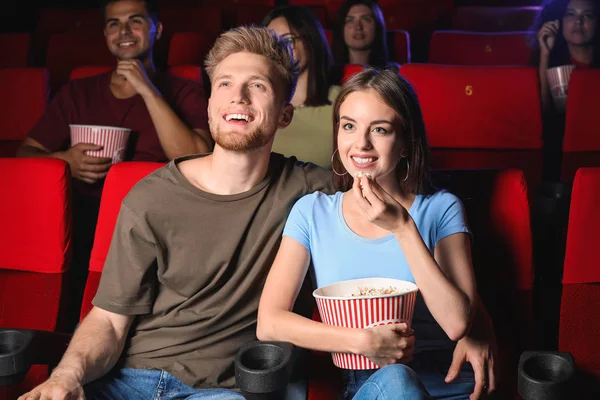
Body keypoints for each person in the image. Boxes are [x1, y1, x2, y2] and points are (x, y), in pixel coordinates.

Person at [19, 27, 496, 400]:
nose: (237, 97)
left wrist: (478, 328)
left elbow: (404, 194)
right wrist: (65, 376)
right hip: (127, 380)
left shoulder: (311, 190)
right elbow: (108, 320)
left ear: (285, 115)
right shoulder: (150, 197)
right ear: (208, 106)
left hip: (225, 389)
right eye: (224, 84)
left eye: (257, 86)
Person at [258, 68, 492, 399]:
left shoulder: (441, 208)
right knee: (397, 379)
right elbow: (269, 322)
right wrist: (363, 342)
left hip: (452, 384)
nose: (361, 144)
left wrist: (403, 227)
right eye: (349, 126)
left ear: (407, 144)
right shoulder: (312, 212)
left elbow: (456, 323)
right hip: (370, 385)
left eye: (379, 130)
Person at [16, 0, 212, 330]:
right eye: (113, 24)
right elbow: (25, 154)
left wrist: (147, 91)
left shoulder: (185, 92)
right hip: (80, 221)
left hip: (157, 220)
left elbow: (196, 157)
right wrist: (63, 160)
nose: (123, 32)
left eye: (135, 21)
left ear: (157, 29)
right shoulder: (77, 93)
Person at [263, 5, 339, 168]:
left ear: (310, 41)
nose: (278, 49)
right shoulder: (260, 102)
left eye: (288, 39)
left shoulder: (342, 101)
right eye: (272, 42)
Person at [532, 0, 600, 112]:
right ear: (558, 21)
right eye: (570, 14)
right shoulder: (548, 60)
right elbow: (545, 113)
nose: (578, 21)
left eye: (588, 15)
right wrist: (545, 54)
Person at [331, 0, 394, 69]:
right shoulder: (328, 72)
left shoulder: (393, 73)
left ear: (378, 26)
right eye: (350, 21)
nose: (358, 27)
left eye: (366, 19)